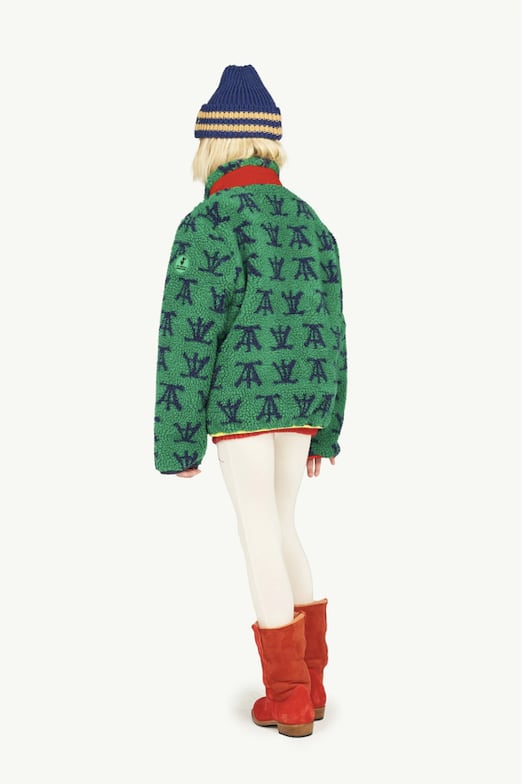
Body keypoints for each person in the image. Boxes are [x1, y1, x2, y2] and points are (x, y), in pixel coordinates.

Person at [154, 65, 347, 737]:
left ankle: (287, 695)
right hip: (304, 398)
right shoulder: (310, 221)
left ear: (214, 144)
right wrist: (328, 429)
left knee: (257, 528)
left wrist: (177, 441)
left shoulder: (209, 223)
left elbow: (187, 338)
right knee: (283, 523)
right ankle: (311, 684)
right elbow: (335, 330)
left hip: (241, 404)